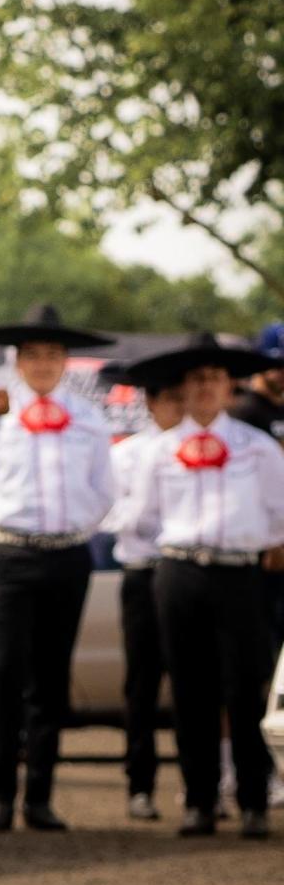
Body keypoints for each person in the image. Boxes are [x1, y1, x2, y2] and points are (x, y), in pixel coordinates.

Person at [0, 303, 114, 832]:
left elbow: (105, 492)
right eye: (33, 355)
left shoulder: (89, 419)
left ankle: (39, 798)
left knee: (51, 677)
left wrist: (71, 528)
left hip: (66, 556)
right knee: (6, 671)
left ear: (65, 362)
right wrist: (5, 533)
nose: (43, 364)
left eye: (53, 355)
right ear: (18, 362)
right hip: (11, 556)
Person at [121, 333, 284, 839]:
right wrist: (172, 554)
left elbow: (280, 514)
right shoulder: (160, 451)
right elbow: (139, 520)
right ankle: (199, 800)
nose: (207, 388)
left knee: (243, 686)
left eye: (215, 378)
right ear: (185, 389)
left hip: (239, 571)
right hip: (179, 571)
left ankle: (253, 800)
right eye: (197, 380)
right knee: (189, 689)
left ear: (229, 386)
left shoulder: (257, 447)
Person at [101, 375, 186, 820]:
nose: (179, 406)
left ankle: (199, 787)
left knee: (194, 684)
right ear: (151, 402)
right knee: (142, 685)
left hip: (189, 573)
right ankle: (140, 785)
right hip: (143, 573)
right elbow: (107, 511)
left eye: (183, 398)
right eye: (171, 397)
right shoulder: (127, 453)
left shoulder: (200, 451)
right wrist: (141, 513)